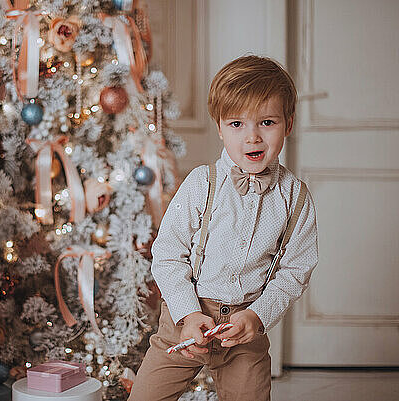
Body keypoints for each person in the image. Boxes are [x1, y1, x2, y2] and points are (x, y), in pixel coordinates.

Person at [129, 55, 318, 401]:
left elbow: (295, 271)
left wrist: (257, 317)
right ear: (218, 126)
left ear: (288, 124)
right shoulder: (202, 183)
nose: (252, 138)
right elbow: (168, 255)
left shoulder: (296, 197)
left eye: (267, 122)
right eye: (236, 124)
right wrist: (188, 312)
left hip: (246, 325)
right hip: (186, 318)